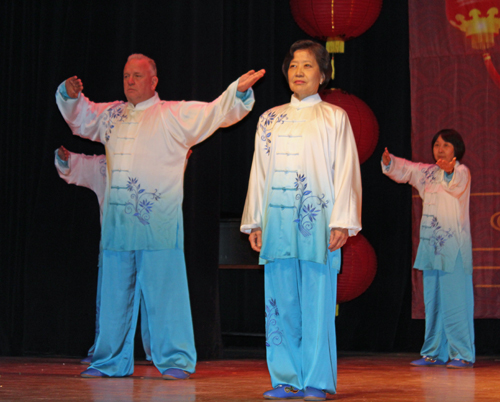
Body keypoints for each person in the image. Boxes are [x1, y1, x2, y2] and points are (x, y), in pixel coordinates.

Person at [56, 53, 265, 379]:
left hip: (158, 224)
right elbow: (81, 117)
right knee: (113, 296)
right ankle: (109, 359)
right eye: (126, 75)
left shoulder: (172, 114)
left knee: (166, 294)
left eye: (137, 76)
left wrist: (236, 92)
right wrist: (70, 95)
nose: (130, 81)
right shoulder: (110, 115)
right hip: (117, 227)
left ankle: (175, 360)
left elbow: (212, 113)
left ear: (153, 81)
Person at [241, 40, 362, 401]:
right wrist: (255, 223)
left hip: (318, 224)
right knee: (280, 303)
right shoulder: (270, 118)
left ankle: (316, 380)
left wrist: (342, 221)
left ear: (322, 75)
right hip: (277, 224)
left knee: (316, 303)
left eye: (307, 65)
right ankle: (286, 377)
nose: (298, 71)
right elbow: (259, 173)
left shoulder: (334, 117)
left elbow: (347, 172)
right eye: (294, 65)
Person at [382, 129, 475, 369]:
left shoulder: (461, 172)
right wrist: (390, 162)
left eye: (445, 145)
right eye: (436, 145)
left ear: (456, 149)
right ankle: (434, 352)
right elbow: (408, 170)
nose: (440, 149)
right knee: (433, 303)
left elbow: (456, 185)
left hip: (453, 248)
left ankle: (462, 354)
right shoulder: (428, 173)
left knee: (456, 303)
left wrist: (449, 171)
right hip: (432, 248)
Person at [54, 146, 152, 365]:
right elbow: (78, 166)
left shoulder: (151, 161)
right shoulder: (105, 166)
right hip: (114, 248)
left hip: (149, 244)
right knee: (109, 302)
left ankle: (157, 352)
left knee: (152, 302)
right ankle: (103, 349)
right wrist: (66, 160)